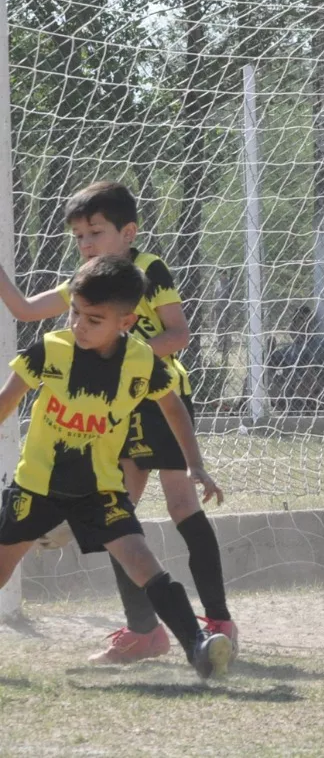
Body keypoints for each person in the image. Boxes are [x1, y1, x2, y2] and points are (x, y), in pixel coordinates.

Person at [0, 181, 237, 664]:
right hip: (39, 484)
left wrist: (196, 462)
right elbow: (22, 321)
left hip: (124, 445)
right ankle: (143, 629)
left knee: (162, 526)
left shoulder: (144, 294)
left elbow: (177, 352)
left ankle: (207, 632)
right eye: (79, 236)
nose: (85, 242)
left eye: (95, 232)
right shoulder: (61, 334)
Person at [267, 306, 324, 412]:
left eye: (300, 321)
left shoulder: (322, 346)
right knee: (259, 376)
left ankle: (307, 407)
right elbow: (265, 366)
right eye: (293, 321)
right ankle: (243, 407)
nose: (295, 325)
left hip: (311, 397)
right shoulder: (288, 350)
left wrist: (318, 384)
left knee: (308, 375)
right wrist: (268, 351)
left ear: (310, 325)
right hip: (288, 396)